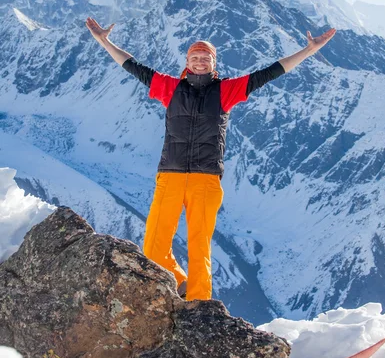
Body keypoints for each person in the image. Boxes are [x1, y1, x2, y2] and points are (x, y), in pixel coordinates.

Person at [85, 16, 336, 301]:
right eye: (195, 56)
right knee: (153, 245)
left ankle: (200, 303)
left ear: (214, 63)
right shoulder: (170, 88)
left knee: (199, 245)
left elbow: (270, 73)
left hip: (206, 180)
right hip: (170, 174)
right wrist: (104, 41)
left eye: (206, 57)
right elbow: (133, 66)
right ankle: (179, 281)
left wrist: (309, 50)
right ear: (187, 61)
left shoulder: (226, 90)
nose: (200, 61)